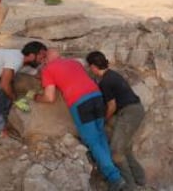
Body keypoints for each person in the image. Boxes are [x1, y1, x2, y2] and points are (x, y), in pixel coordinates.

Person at [33, 49, 126, 191]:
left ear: (46, 59)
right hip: (97, 96)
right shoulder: (74, 62)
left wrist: (36, 97)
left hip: (80, 103)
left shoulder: (48, 69)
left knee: (92, 140)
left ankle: (114, 178)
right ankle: (110, 172)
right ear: (60, 56)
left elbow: (50, 98)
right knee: (100, 135)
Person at [86, 51, 146, 191]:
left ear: (94, 66)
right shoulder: (111, 75)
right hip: (132, 111)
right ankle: (140, 178)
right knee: (125, 149)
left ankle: (130, 187)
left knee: (116, 152)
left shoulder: (106, 81)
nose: (90, 69)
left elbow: (111, 106)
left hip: (129, 113)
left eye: (90, 66)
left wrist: (102, 121)